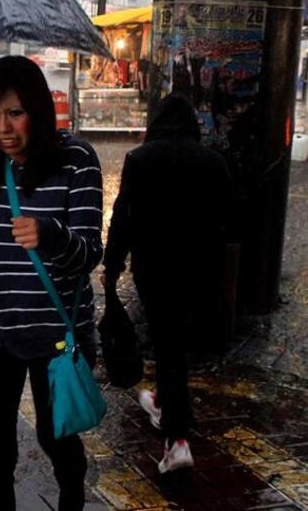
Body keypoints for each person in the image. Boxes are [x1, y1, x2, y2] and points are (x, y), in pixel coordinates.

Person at [0, 55, 103, 510]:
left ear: (37, 109)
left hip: (60, 335)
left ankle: (72, 494)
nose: (3, 128)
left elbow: (91, 252)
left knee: (56, 438)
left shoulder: (77, 160)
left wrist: (50, 234)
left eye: (14, 112)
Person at [103, 93, 234, 474]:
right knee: (175, 345)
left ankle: (177, 440)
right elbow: (230, 213)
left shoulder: (141, 159)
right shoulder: (212, 161)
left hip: (155, 270)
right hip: (200, 269)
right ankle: (164, 402)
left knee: (168, 345)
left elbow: (122, 216)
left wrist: (112, 265)